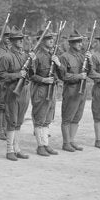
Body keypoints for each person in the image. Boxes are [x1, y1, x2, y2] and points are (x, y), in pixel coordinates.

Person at [0, 28, 31, 161]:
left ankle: (17, 149)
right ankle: (9, 150)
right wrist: (17, 75)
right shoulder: (6, 57)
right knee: (12, 120)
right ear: (11, 41)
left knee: (19, 122)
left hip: (24, 91)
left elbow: (31, 73)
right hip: (12, 91)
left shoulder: (25, 56)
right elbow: (0, 76)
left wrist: (32, 62)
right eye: (18, 39)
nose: (21, 41)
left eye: (22, 39)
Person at [29, 26, 61, 157]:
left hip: (51, 90)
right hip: (40, 90)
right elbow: (31, 75)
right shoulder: (37, 56)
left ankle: (45, 144)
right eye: (48, 38)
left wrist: (58, 64)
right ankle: (40, 146)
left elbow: (62, 74)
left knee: (48, 119)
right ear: (41, 41)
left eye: (52, 38)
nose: (51, 40)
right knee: (39, 118)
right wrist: (43, 80)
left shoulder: (53, 55)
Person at [58, 29, 88, 152]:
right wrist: (78, 77)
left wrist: (89, 60)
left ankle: (72, 140)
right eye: (77, 42)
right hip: (71, 90)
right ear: (70, 43)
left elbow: (89, 72)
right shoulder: (64, 57)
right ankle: (66, 143)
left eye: (81, 41)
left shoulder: (82, 56)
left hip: (82, 90)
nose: (80, 44)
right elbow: (63, 76)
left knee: (77, 117)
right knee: (67, 118)